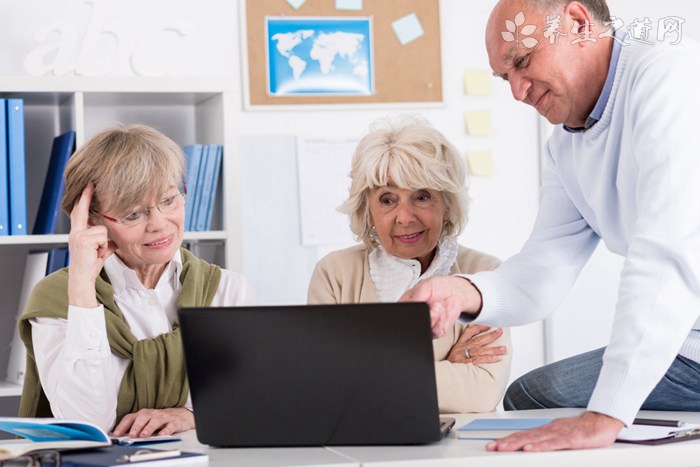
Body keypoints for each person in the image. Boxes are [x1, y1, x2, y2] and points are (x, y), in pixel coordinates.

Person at [401, 0, 700, 452]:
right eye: (506, 79)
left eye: (522, 61)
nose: (518, 92)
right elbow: (545, 268)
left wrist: (606, 415)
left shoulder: (669, 78)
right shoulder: (566, 147)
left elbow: (666, 256)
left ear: (578, 24)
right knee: (531, 395)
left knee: (586, 410)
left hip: (687, 341)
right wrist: (462, 291)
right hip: (687, 344)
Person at [17, 124, 255, 437]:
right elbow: (85, 424)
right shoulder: (58, 298)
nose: (159, 224)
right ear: (92, 219)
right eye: (133, 214)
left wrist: (191, 415)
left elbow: (250, 398)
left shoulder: (228, 290)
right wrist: (82, 288)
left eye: (169, 200)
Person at [308, 115, 512, 413]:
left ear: (447, 203)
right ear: (367, 210)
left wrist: (362, 370)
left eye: (422, 196)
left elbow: (480, 393)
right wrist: (443, 368)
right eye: (388, 199)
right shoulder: (335, 274)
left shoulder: (484, 273)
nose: (405, 217)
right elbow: (324, 385)